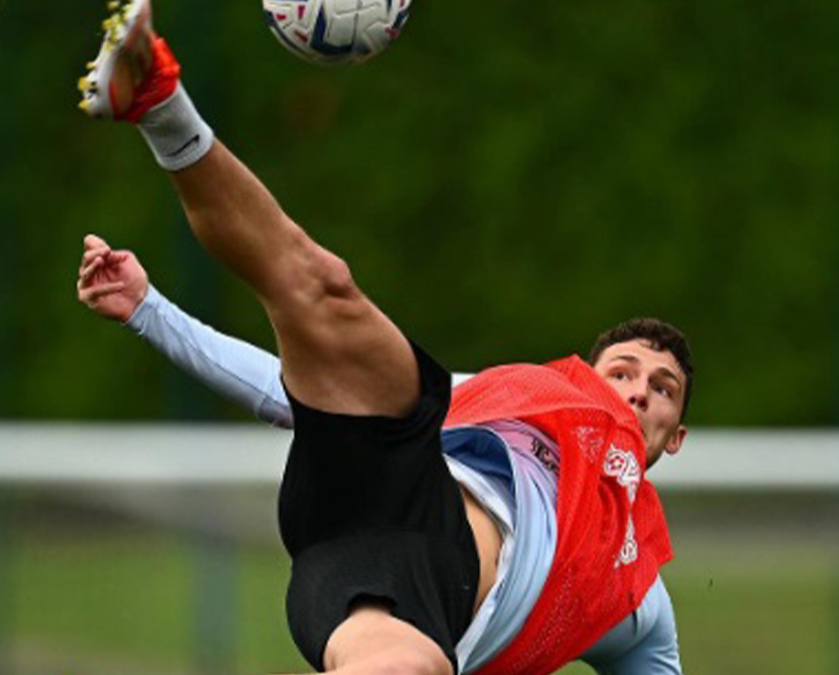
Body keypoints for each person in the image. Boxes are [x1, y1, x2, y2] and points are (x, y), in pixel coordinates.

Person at [75, 3, 692, 673]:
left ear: (677, 432)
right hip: (399, 467)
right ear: (581, 379)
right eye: (621, 370)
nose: (637, 390)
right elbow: (280, 386)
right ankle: (158, 96)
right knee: (326, 286)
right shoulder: (515, 401)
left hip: (415, 590)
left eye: (663, 388)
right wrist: (148, 309)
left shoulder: (639, 603)